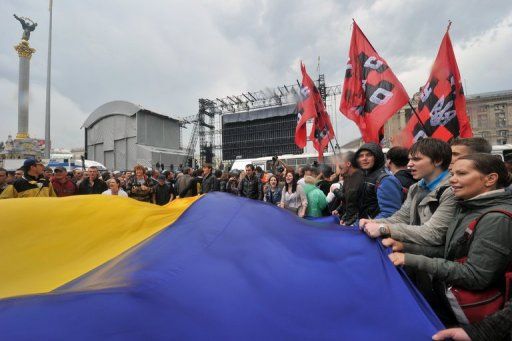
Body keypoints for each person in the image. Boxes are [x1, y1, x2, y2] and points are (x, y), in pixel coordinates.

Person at [385, 154, 512, 326]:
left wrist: (411, 259)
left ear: (490, 179)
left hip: (476, 320)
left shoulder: (496, 218)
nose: (452, 180)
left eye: (462, 174)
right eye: (452, 174)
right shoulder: (468, 207)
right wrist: (405, 247)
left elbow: (475, 276)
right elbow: (450, 252)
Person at [360, 138, 456, 245]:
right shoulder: (415, 188)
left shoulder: (453, 190)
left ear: (438, 160)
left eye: (416, 159)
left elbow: (433, 234)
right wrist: (374, 222)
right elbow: (402, 217)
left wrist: (385, 228)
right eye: (409, 159)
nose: (409, 164)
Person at [352, 142, 403, 221]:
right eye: (361, 156)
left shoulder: (386, 179)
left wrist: (368, 225)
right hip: (365, 228)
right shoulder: (365, 176)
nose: (364, 158)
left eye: (369, 155)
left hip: (377, 229)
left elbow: (390, 213)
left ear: (377, 157)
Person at [332, 151, 364, 225]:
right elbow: (348, 201)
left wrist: (350, 222)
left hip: (357, 224)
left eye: (340, 163)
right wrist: (343, 216)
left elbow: (362, 208)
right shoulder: (348, 178)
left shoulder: (361, 179)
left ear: (348, 164)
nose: (338, 166)